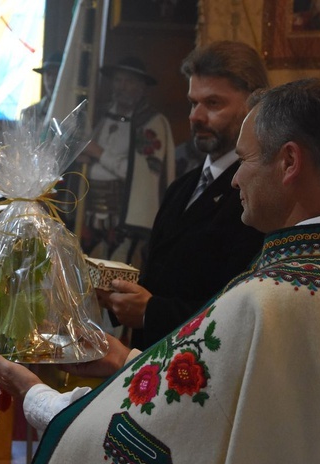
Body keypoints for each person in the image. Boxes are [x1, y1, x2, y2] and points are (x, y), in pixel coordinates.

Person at [0, 77, 320, 464]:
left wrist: (36, 396)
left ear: (288, 162)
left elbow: (159, 450)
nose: (235, 180)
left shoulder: (260, 302)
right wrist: (129, 361)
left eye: (245, 161)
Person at [99, 41, 268, 350]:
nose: (195, 117)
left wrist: (152, 312)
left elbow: (241, 310)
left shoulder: (257, 196)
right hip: (147, 363)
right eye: (193, 103)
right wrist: (120, 297)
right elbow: (160, 279)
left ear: (252, 106)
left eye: (213, 104)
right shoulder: (182, 186)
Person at [78, 56, 175, 269]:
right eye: (118, 80)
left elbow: (141, 174)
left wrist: (98, 152)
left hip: (124, 222)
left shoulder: (150, 122)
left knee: (116, 276)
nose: (121, 87)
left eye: (128, 81)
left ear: (141, 87)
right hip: (90, 215)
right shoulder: (100, 115)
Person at [19, 51, 62, 134]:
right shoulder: (30, 113)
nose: (52, 79)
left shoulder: (77, 114)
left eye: (56, 74)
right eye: (48, 74)